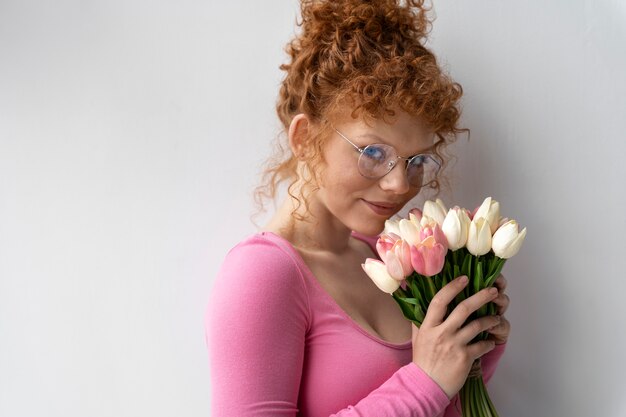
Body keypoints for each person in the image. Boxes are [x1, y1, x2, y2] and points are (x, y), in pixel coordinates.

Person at [206, 1, 511, 416]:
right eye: (373, 152)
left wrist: (471, 355)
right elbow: (422, 392)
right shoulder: (263, 275)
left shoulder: (386, 258)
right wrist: (426, 382)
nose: (399, 184)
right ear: (305, 139)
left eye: (415, 160)